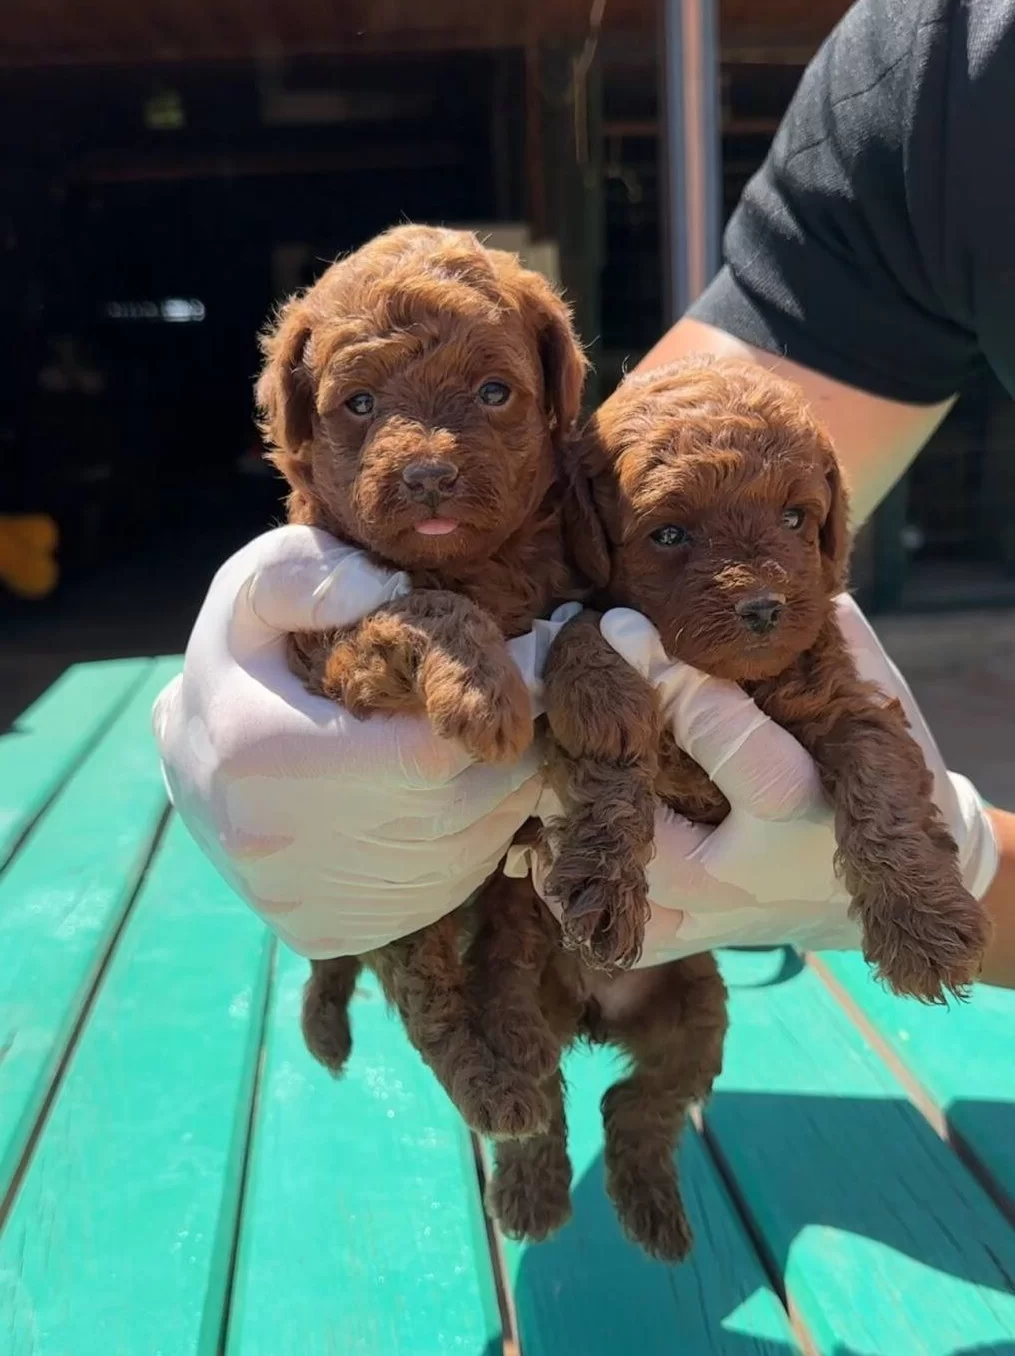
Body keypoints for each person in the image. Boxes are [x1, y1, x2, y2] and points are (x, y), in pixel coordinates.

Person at [153, 0, 1015, 986]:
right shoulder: (936, 63)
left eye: (490, 393)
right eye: (356, 402)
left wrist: (973, 869)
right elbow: (676, 461)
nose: (431, 453)